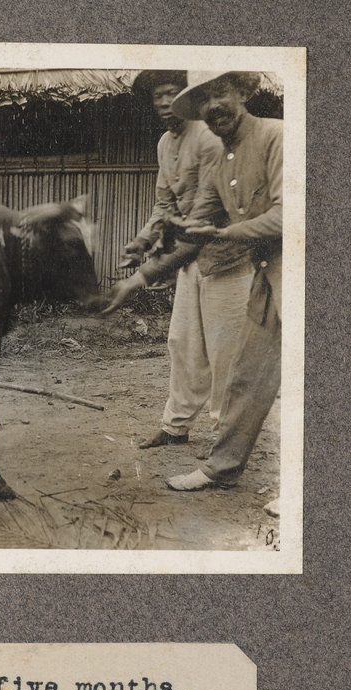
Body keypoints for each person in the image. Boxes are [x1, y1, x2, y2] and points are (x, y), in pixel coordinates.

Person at [106, 71, 283, 509]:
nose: (212, 107)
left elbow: (290, 217)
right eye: (203, 100)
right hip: (266, 272)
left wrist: (225, 235)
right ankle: (220, 466)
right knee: (244, 374)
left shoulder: (277, 136)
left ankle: (305, 488)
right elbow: (190, 226)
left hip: (293, 272)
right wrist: (140, 275)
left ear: (244, 92)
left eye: (220, 93)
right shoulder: (218, 158)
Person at [112, 71, 254, 451]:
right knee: (183, 343)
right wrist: (141, 242)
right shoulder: (164, 143)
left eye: (170, 94)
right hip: (189, 258)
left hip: (226, 257)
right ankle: (176, 427)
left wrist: (147, 271)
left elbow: (211, 211)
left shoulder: (208, 138)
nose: (162, 102)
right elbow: (165, 203)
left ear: (183, 100)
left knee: (225, 351)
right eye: (157, 96)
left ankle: (227, 437)